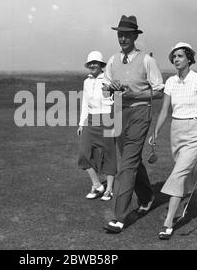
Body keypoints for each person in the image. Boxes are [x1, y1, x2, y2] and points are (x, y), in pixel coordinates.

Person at [102, 15, 164, 233]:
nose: (122, 38)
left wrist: (137, 92)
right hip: (118, 112)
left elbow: (159, 90)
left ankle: (118, 217)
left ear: (135, 36)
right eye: (120, 34)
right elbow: (105, 88)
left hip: (140, 112)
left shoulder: (147, 60)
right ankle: (147, 197)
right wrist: (111, 89)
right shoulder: (112, 61)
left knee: (127, 164)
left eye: (126, 34)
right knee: (131, 159)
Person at [151, 42, 197, 240]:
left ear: (189, 58)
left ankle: (168, 222)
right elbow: (164, 110)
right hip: (176, 131)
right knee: (187, 173)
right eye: (174, 57)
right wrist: (155, 132)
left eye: (180, 56)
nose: (176, 59)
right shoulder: (170, 82)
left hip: (194, 131)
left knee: (178, 174)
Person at [77, 51, 117, 201]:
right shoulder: (86, 82)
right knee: (83, 153)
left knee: (109, 153)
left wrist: (116, 123)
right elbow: (85, 104)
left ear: (101, 65)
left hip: (108, 118)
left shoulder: (108, 79)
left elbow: (117, 99)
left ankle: (109, 189)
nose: (93, 65)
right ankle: (97, 185)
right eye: (90, 63)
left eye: (96, 63)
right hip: (90, 119)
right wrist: (81, 123)